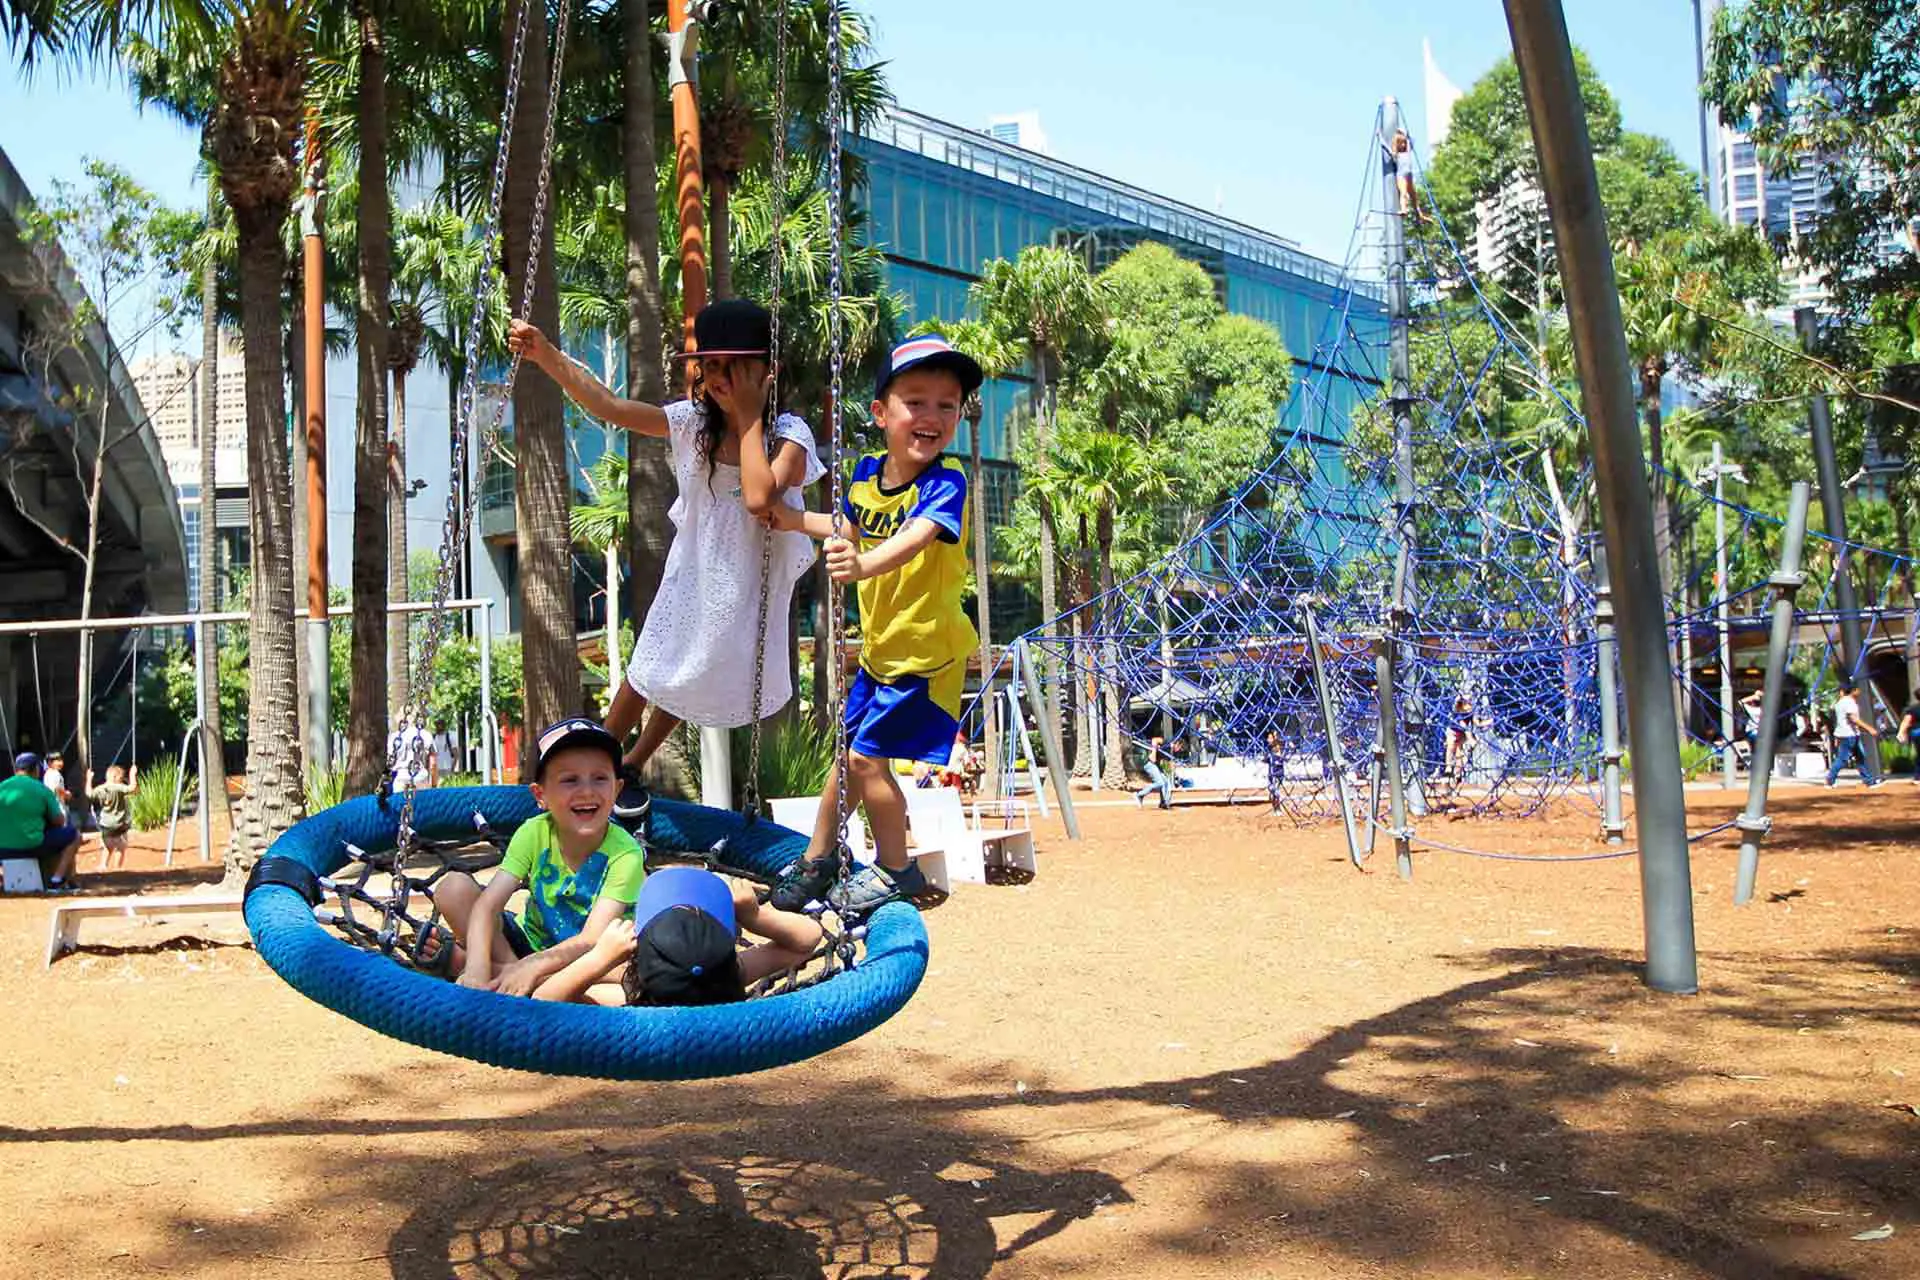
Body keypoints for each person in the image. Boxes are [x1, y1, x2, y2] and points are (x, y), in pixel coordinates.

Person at [508, 300, 823, 802]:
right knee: (654, 662)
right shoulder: (695, 424)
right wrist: (548, 357)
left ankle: (628, 761)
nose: (723, 379)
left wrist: (747, 419)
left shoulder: (788, 435)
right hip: (695, 568)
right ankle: (606, 754)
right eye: (713, 367)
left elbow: (760, 497)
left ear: (769, 373)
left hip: (745, 585)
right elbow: (612, 409)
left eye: (739, 369)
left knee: (697, 667)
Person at [763, 334, 984, 914]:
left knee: (867, 760)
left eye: (947, 405)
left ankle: (896, 869)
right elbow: (847, 522)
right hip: (883, 655)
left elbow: (913, 540)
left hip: (927, 656)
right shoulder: (864, 473)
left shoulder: (946, 483)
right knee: (847, 757)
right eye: (916, 401)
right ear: (882, 413)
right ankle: (819, 859)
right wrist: (789, 519)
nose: (933, 416)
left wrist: (860, 564)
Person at [432, 718, 646, 997]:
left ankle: (512, 980)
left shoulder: (625, 853)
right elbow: (487, 906)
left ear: (616, 790)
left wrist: (532, 967)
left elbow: (591, 940)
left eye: (600, 778)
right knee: (453, 888)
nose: (587, 791)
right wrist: (476, 969)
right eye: (570, 780)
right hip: (526, 947)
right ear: (540, 795)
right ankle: (506, 977)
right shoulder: (534, 832)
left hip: (587, 962)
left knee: (626, 987)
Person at [532, 864, 824, 1006]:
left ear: (637, 955)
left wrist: (600, 958)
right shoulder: (726, 978)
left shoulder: (629, 998)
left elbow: (543, 1001)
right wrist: (756, 917)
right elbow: (808, 938)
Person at [0, 753, 79, 892]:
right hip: (32, 846)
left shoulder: (2, 787)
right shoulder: (41, 789)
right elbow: (59, 821)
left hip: (2, 850)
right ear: (36, 769)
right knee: (74, 835)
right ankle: (57, 879)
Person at [1824, 680, 1881, 787]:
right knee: (1842, 759)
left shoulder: (1839, 703)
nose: (1859, 691)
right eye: (1858, 689)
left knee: (1860, 757)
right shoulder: (1849, 702)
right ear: (1853, 690)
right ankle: (1829, 780)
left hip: (1845, 733)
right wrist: (1870, 729)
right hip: (1849, 734)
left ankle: (1869, 781)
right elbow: (1853, 719)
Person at [88, 764, 137, 872]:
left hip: (106, 823)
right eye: (120, 778)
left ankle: (103, 865)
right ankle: (117, 868)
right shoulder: (118, 787)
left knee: (107, 846)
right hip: (120, 822)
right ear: (115, 777)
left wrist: (88, 779)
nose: (121, 781)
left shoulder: (100, 788)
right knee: (121, 846)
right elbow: (132, 788)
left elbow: (89, 794)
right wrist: (132, 774)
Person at [387, 720, 437, 792]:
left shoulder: (394, 737)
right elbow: (433, 765)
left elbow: (389, 762)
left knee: (400, 802)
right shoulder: (426, 735)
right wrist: (434, 786)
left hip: (400, 779)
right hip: (420, 779)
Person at [1132, 735, 1174, 810]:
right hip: (1147, 761)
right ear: (1178, 744)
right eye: (1180, 748)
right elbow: (1154, 739)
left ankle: (1163, 803)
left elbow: (1164, 762)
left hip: (1154, 764)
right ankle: (1139, 794)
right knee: (1160, 782)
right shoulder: (1167, 743)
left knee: (1166, 781)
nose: (1178, 751)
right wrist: (1154, 752)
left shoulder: (1170, 754)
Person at [1444, 697, 1475, 779]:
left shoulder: (1471, 712)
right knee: (1450, 747)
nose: (1469, 705)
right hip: (1453, 731)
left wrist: (1490, 721)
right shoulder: (1458, 710)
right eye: (1467, 703)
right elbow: (1463, 725)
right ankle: (1448, 767)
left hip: (1462, 734)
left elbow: (1476, 723)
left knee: (1459, 753)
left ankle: (1458, 773)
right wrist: (1471, 739)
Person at [43, 751, 72, 830]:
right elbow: (56, 789)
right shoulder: (55, 773)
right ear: (50, 763)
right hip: (58, 806)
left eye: (61, 760)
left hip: (51, 806)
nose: (61, 763)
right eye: (57, 761)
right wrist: (66, 794)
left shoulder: (47, 774)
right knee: (62, 829)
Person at [1896, 696, 1920, 785]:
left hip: (1917, 733)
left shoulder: (1913, 709)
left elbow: (1906, 721)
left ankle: (1918, 777)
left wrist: (1901, 732)